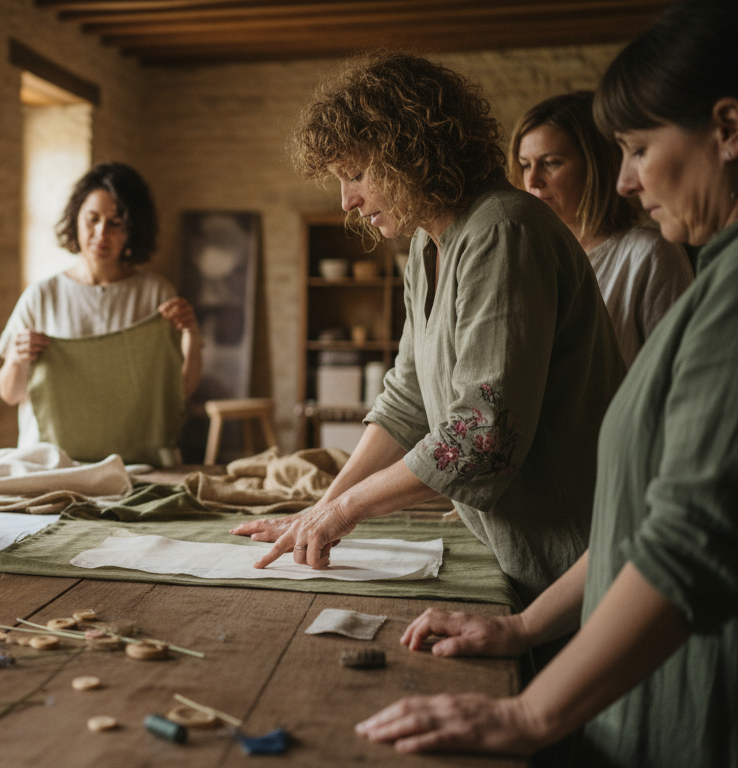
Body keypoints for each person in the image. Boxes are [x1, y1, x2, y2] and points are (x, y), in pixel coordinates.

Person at [355, 3, 738, 763]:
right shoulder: (716, 279)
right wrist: (524, 627)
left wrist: (530, 715)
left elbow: (688, 540)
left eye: (638, 148)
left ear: (728, 129)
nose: (624, 180)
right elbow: (640, 515)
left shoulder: (715, 293)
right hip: (617, 640)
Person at [231, 53, 624, 606]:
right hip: (518, 552)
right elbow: (408, 399)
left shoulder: (503, 231)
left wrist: (343, 512)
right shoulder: (427, 243)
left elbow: (480, 434)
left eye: (356, 174)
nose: (347, 200)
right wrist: (321, 509)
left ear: (410, 152)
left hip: (577, 552)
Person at [0, 162, 202, 447]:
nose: (101, 233)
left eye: (116, 223)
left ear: (133, 229)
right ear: (75, 218)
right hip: (51, 460)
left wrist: (191, 333)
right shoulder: (41, 296)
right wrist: (17, 359)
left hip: (132, 458)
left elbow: (180, 390)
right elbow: (10, 394)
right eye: (92, 219)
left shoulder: (157, 296)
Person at [512, 90, 693, 366]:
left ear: (596, 165)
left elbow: (678, 368)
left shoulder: (648, 254)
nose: (533, 180)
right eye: (525, 165)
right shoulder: (524, 255)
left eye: (551, 163)